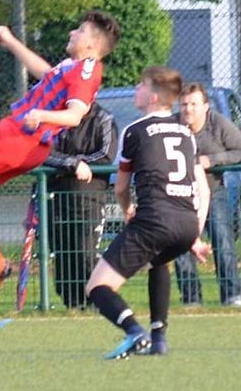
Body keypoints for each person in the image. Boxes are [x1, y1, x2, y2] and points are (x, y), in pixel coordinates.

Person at [0, 10, 120, 303]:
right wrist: (11, 42)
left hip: (20, 138)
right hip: (28, 144)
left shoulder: (86, 70)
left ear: (92, 44)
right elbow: (46, 73)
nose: (72, 33)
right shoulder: (74, 66)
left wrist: (41, 115)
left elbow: (75, 115)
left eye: (79, 30)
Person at [84, 66, 211, 359]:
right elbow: (202, 190)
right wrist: (195, 235)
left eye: (141, 85)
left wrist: (127, 209)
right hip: (187, 224)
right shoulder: (187, 133)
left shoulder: (135, 131)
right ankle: (159, 339)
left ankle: (134, 332)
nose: (136, 89)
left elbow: (120, 187)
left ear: (153, 97)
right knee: (158, 261)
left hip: (154, 221)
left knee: (97, 286)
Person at [173, 83, 241, 308]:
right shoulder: (172, 125)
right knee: (181, 245)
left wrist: (213, 160)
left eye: (194, 104)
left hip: (213, 191)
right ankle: (191, 299)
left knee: (222, 239)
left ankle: (232, 296)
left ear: (206, 106)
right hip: (179, 196)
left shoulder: (218, 123)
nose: (188, 109)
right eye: (184, 104)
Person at [42, 101, 118, 309]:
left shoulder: (104, 119)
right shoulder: (56, 117)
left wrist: (80, 163)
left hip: (90, 198)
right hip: (57, 197)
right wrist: (72, 164)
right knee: (62, 253)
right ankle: (72, 305)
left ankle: (96, 301)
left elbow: (105, 155)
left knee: (86, 253)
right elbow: (45, 153)